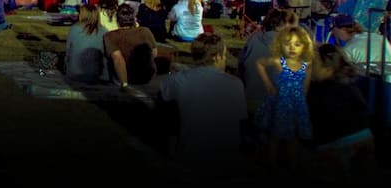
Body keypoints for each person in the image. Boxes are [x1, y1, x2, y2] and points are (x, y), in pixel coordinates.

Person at [159, 33, 247, 167]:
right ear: (217, 57)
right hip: (226, 160)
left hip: (189, 156)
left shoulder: (177, 80)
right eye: (224, 55)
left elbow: (162, 99)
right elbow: (240, 121)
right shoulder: (235, 84)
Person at [307, 44, 375, 178]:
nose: (309, 68)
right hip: (364, 138)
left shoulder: (317, 91)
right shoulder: (349, 84)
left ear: (325, 63)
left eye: (313, 63)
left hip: (335, 145)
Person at [254, 25, 314, 170]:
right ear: (280, 44)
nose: (292, 48)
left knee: (293, 138)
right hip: (280, 104)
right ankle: (272, 164)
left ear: (304, 46)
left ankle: (292, 166)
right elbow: (259, 63)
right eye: (287, 44)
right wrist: (268, 83)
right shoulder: (278, 61)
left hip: (296, 106)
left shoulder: (307, 64)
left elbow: (306, 85)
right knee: (275, 136)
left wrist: (302, 101)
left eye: (297, 44)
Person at [103, 3, 157, 87]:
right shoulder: (145, 31)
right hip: (147, 76)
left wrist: (124, 83)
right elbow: (154, 53)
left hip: (126, 78)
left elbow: (118, 59)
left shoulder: (110, 36)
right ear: (134, 19)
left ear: (117, 21)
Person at [63, 3, 108, 83]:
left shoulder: (74, 29)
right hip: (98, 75)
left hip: (75, 73)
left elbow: (68, 52)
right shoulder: (104, 31)